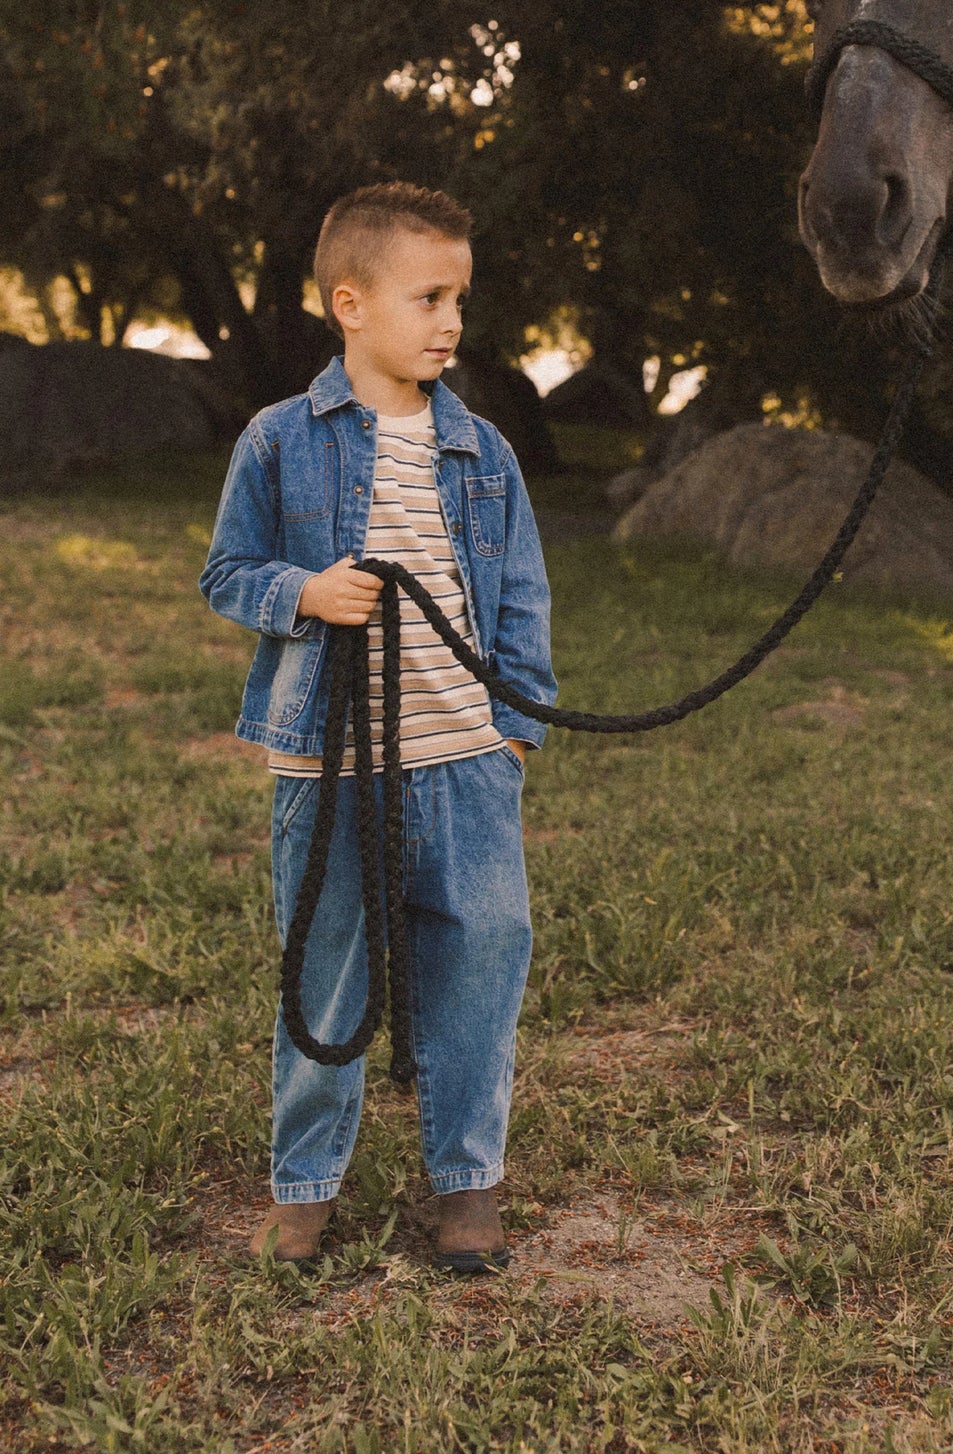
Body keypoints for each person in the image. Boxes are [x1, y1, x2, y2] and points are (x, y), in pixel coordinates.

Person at [199, 181, 556, 1270]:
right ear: (349, 304)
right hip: (329, 762)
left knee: (479, 959)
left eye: (459, 298)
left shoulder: (483, 452)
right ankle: (305, 1185)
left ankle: (468, 1182)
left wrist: (515, 729)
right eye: (429, 297)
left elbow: (523, 596)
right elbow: (226, 572)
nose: (451, 321)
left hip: (461, 761)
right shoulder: (278, 441)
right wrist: (304, 593)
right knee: (326, 971)